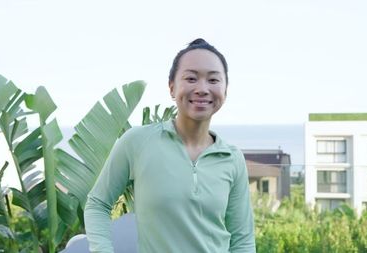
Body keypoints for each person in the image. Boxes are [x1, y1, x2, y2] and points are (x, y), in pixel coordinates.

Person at [84, 38, 256, 253]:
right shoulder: (137, 142)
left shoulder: (232, 158)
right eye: (191, 78)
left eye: (213, 80)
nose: (202, 89)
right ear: (172, 88)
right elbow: (97, 204)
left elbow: (243, 240)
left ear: (225, 90)